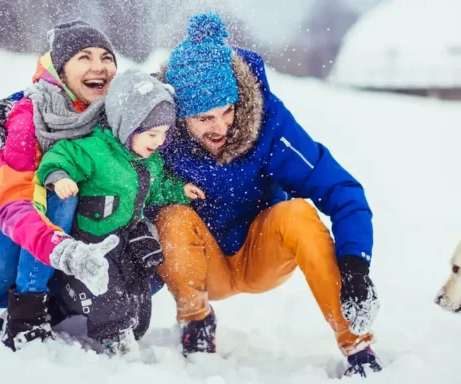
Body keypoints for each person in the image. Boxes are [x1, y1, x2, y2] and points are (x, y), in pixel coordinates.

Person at [149, 12, 383, 377]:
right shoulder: (154, 129)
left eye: (228, 111)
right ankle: (196, 322)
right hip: (199, 262)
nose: (221, 126)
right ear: (179, 116)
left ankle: (357, 343)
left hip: (260, 254)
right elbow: (107, 174)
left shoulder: (267, 121)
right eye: (205, 118)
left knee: (298, 214)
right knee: (170, 217)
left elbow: (339, 186)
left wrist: (355, 262)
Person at [0, 20, 124, 352]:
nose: (99, 66)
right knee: (57, 184)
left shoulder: (106, 120)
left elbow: (156, 104)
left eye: (107, 57)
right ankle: (28, 315)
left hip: (29, 254)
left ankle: (60, 305)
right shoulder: (27, 118)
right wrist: (62, 249)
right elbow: (12, 206)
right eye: (84, 57)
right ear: (60, 69)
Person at [35, 68, 205, 357]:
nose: (159, 141)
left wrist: (179, 190)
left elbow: (158, 186)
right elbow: (60, 155)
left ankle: (131, 328)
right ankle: (114, 341)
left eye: (164, 133)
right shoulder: (96, 151)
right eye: (152, 133)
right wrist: (59, 176)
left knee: (138, 286)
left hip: (126, 237)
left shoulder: (149, 161)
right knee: (107, 292)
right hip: (93, 241)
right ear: (128, 125)